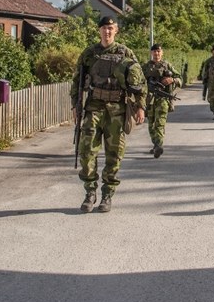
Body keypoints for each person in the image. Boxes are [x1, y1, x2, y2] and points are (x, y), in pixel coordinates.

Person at [71, 16, 146, 213]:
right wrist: (75, 106)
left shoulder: (125, 53)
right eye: (104, 28)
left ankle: (107, 194)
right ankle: (89, 192)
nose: (107, 31)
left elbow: (139, 82)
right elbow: (77, 81)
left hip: (117, 109)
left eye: (111, 28)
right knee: (87, 151)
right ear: (99, 30)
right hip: (94, 107)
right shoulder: (89, 54)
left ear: (116, 30)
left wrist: (140, 106)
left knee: (114, 154)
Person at [142, 43, 182, 158]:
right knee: (151, 124)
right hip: (149, 99)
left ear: (162, 52)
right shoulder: (145, 67)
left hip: (163, 99)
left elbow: (180, 79)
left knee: (159, 123)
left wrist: (172, 79)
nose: (156, 53)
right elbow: (139, 81)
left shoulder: (167, 66)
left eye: (159, 51)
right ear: (151, 53)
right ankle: (156, 144)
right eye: (154, 51)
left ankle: (158, 145)